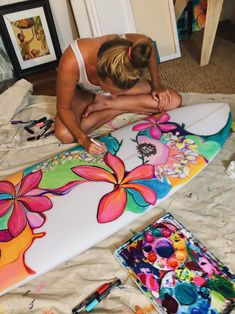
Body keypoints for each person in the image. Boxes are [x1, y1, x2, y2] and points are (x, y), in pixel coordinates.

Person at [55, 33, 182, 155]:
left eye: (120, 93)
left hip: (107, 96)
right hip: (85, 93)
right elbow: (63, 108)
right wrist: (83, 139)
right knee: (66, 134)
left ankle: (111, 104)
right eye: (112, 92)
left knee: (173, 101)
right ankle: (115, 105)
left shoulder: (123, 45)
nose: (114, 94)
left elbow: (148, 44)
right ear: (99, 76)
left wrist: (156, 85)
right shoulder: (71, 61)